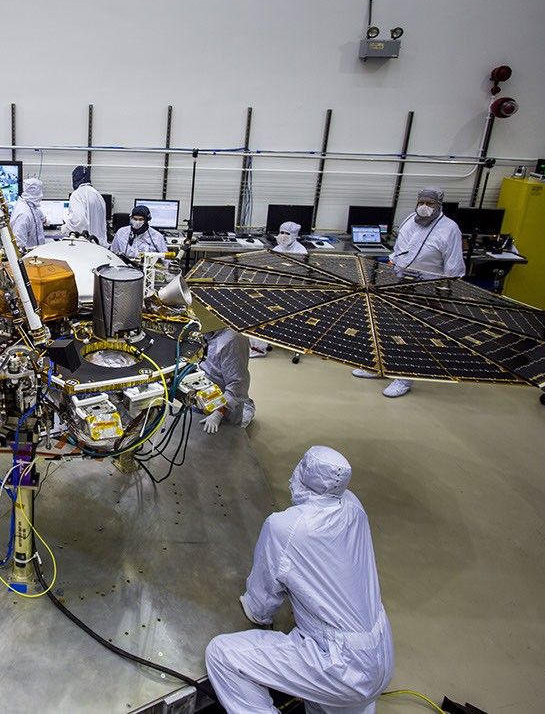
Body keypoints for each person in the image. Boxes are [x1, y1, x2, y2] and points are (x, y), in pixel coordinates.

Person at [205, 446, 393, 714]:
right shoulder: (353, 506)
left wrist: (255, 609)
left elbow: (259, 607)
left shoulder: (287, 527)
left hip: (339, 665)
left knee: (222, 655)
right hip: (381, 656)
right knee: (324, 700)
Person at [352, 187, 464, 398]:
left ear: (439, 205)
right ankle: (378, 367)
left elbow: (454, 267)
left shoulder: (450, 229)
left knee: (413, 333)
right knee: (387, 326)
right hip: (399, 280)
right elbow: (400, 248)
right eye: (421, 202)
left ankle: (405, 376)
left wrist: (445, 293)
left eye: (430, 204)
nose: (424, 207)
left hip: (427, 286)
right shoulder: (409, 220)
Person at [251, 221, 307, 357]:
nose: (283, 236)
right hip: (274, 289)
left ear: (294, 235)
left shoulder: (301, 252)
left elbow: (301, 277)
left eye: (287, 233)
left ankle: (261, 346)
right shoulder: (277, 249)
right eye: (281, 232)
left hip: (294, 294)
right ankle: (257, 348)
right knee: (253, 308)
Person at [199, 328, 256, 432]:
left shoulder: (233, 339)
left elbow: (238, 385)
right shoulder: (203, 329)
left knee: (224, 439)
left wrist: (219, 413)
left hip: (224, 408)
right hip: (202, 397)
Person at [64, 165, 107, 243]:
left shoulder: (77, 194)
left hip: (85, 245)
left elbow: (78, 221)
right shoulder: (98, 195)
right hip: (99, 244)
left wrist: (64, 228)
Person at [10, 177, 47, 250]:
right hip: (28, 256)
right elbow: (19, 243)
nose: (41, 195)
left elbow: (39, 215)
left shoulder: (29, 205)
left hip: (36, 252)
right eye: (40, 191)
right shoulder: (24, 214)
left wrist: (45, 220)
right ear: (36, 192)